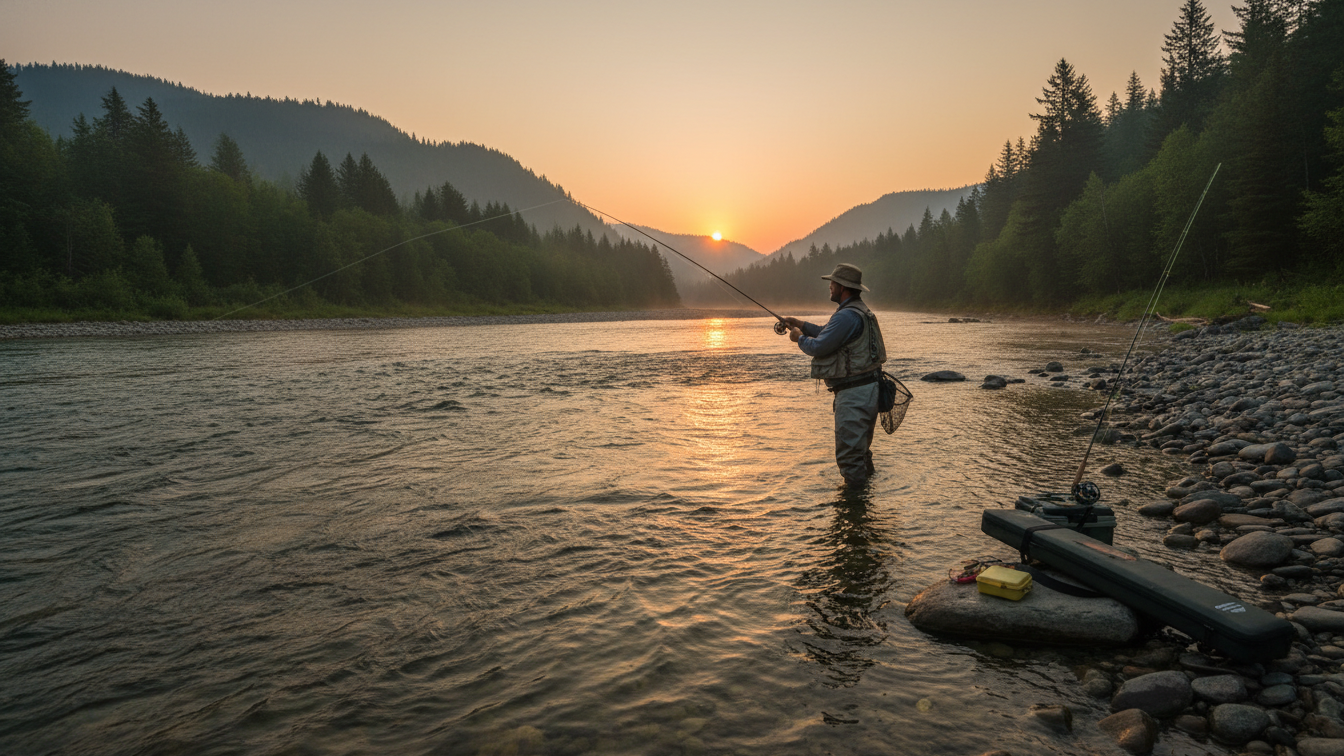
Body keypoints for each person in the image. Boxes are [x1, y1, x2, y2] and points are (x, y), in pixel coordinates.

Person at [781, 263, 887, 488]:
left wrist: (798, 338)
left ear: (843, 287)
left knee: (849, 457)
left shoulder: (847, 316)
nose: (829, 286)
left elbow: (819, 347)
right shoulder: (858, 311)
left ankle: (855, 510)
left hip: (854, 395)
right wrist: (801, 324)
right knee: (860, 453)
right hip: (868, 390)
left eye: (832, 283)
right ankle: (867, 503)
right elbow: (827, 334)